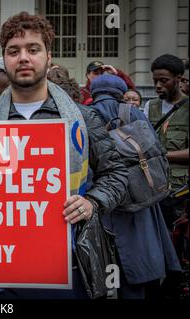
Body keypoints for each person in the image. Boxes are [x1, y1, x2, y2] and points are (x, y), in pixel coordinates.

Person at [0, 12, 128, 299]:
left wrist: (92, 202)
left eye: (33, 49)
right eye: (13, 51)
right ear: (4, 59)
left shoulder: (82, 118)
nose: (23, 58)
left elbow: (117, 174)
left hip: (68, 269)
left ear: (48, 57)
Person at [89, 73, 181, 299]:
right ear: (120, 92)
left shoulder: (85, 114)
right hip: (139, 198)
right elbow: (157, 152)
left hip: (102, 201)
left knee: (108, 265)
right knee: (139, 262)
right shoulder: (134, 112)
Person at [143, 54, 189, 229]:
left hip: (181, 190)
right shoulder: (151, 106)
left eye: (164, 81)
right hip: (154, 187)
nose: (157, 86)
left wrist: (162, 155)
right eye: (155, 81)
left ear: (179, 79)